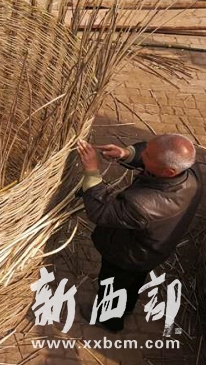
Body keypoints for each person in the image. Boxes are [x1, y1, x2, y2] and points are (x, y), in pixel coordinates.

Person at [77, 134, 202, 332]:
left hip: (128, 255)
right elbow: (154, 153)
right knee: (132, 281)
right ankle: (126, 307)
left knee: (113, 284)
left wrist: (92, 171)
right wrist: (125, 153)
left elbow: (100, 212)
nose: (143, 155)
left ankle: (109, 320)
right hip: (152, 250)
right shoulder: (190, 170)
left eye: (147, 156)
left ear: (169, 171)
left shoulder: (145, 205)